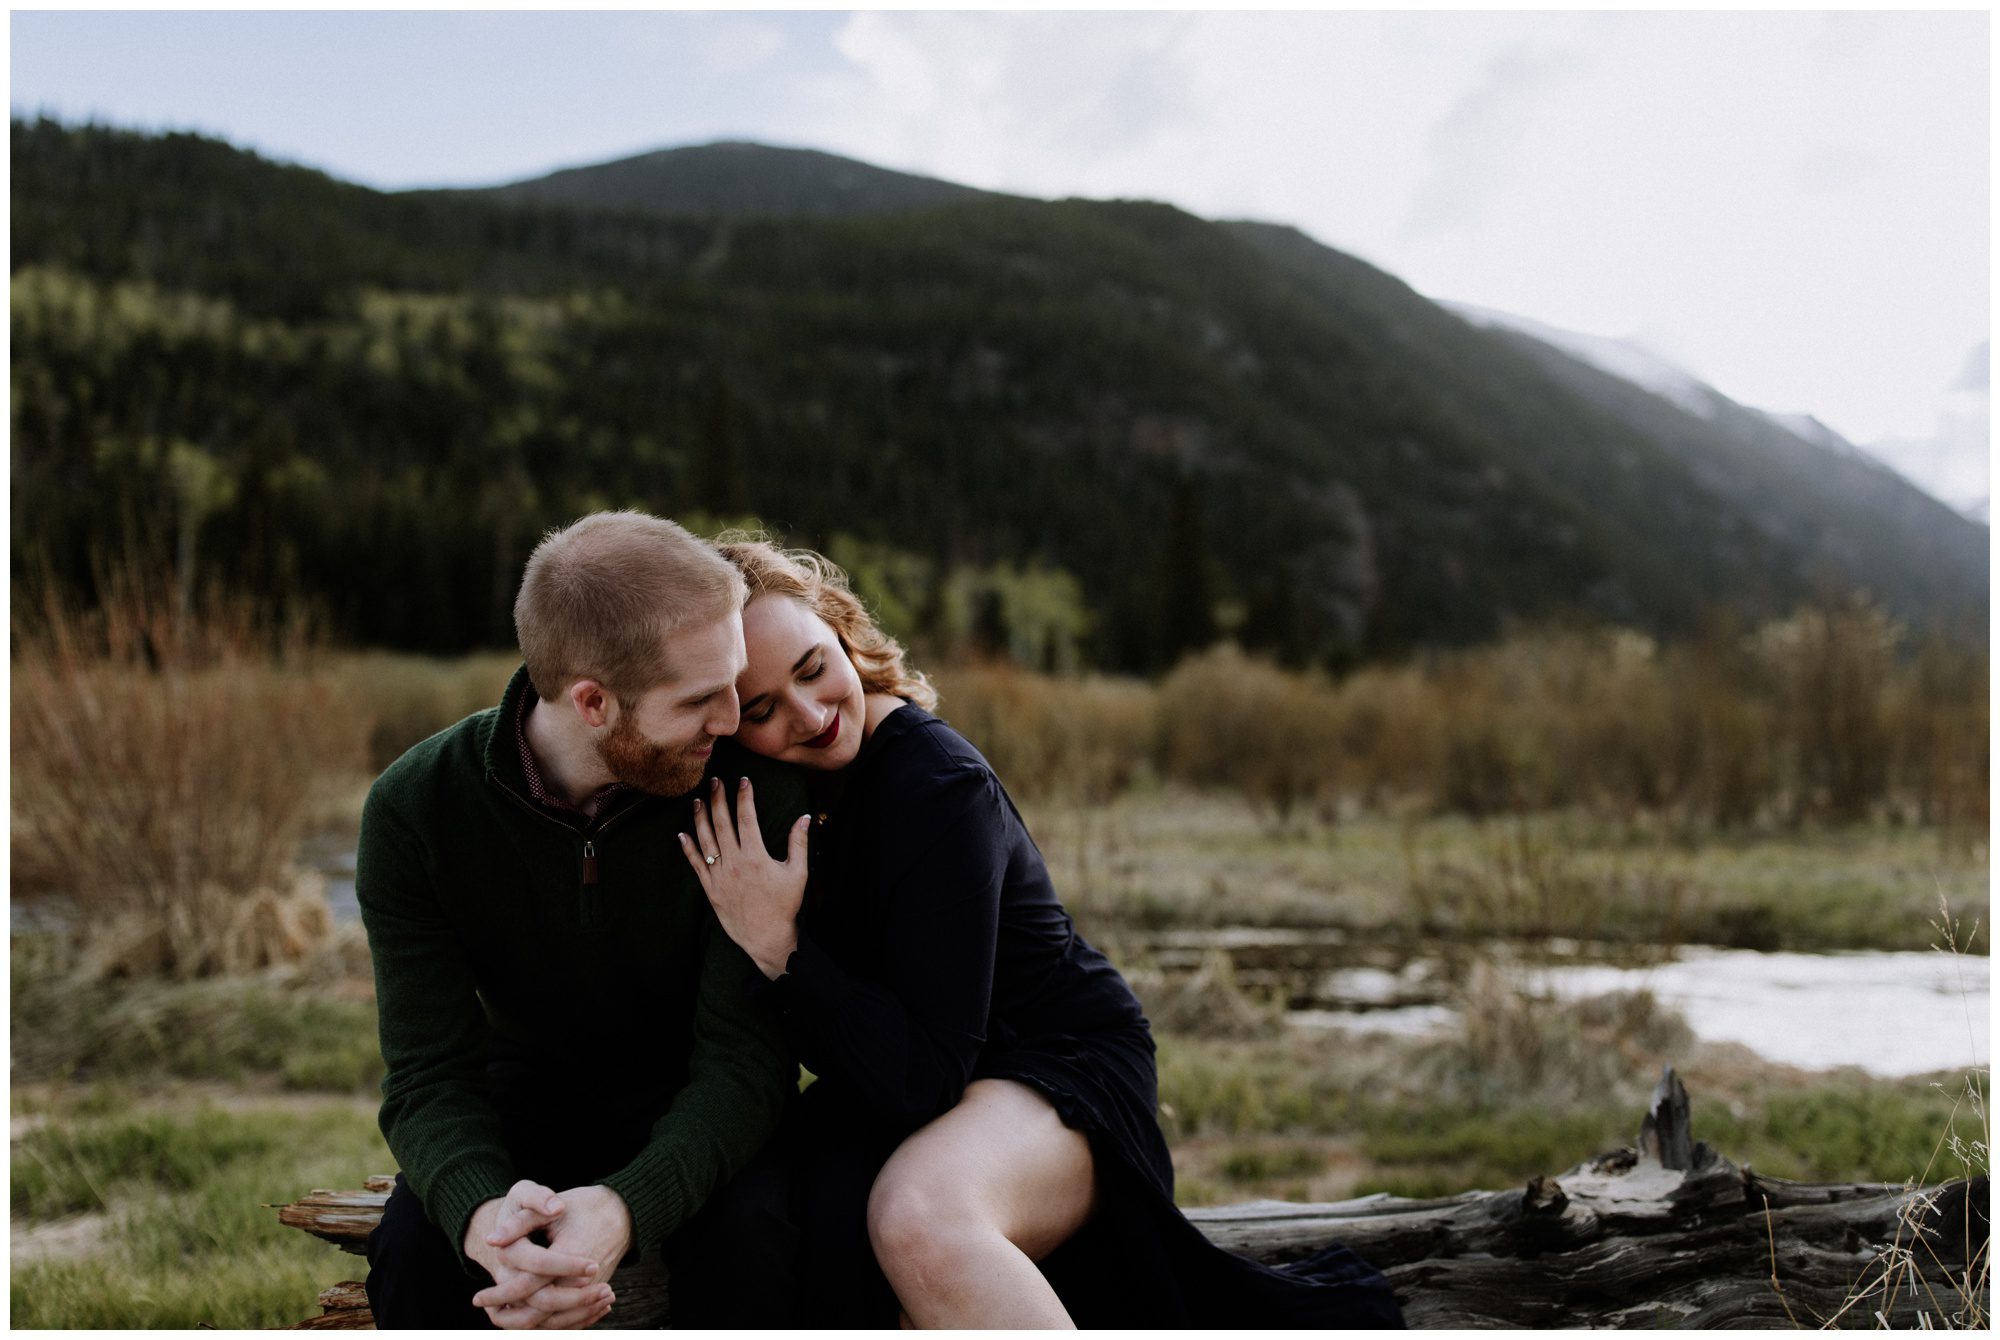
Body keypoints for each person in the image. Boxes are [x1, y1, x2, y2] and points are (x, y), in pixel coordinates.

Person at [682, 538, 1403, 1329]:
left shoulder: (936, 786)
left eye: (815, 668)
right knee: (768, 1218)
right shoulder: (772, 794)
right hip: (917, 1076)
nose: (812, 716)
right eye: (763, 709)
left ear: (845, 637)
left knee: (918, 1217)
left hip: (1058, 1063)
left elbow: (924, 1076)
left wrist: (780, 948)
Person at [356, 511, 809, 1329]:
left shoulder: (747, 792)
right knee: (415, 1256)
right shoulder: (416, 810)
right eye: (701, 699)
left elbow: (746, 1062)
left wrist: (626, 1209)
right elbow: (427, 1075)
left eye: (732, 687)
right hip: (522, 1113)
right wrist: (482, 1220)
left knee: (754, 1243)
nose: (733, 722)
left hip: (703, 1115)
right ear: (594, 702)